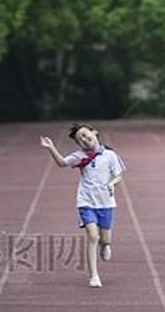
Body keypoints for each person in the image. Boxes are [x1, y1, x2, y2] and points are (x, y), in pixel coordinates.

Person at [40, 123, 126, 288]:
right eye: (81, 139)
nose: (85, 139)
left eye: (86, 135)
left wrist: (111, 184)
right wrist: (51, 148)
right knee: (92, 236)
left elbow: (119, 176)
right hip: (86, 201)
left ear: (95, 132)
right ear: (79, 144)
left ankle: (105, 246)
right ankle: (94, 275)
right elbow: (62, 163)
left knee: (105, 239)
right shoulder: (80, 156)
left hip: (106, 203)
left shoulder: (110, 155)